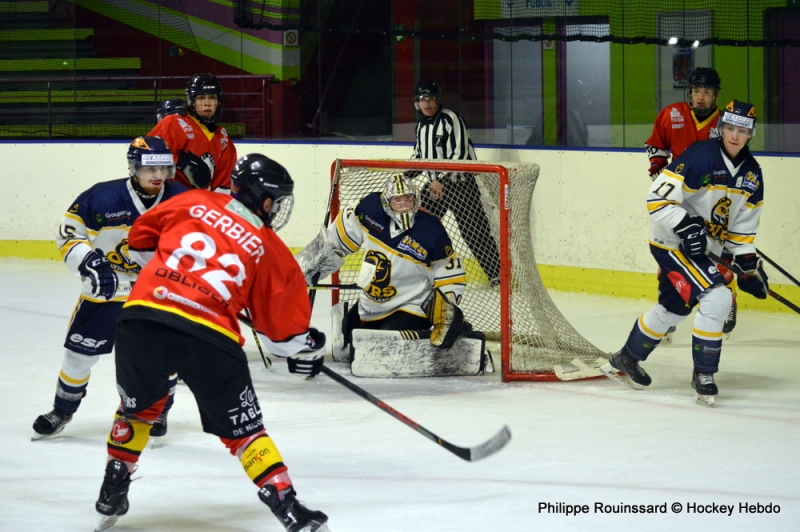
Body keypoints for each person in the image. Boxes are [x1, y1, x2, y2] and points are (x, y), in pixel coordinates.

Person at [92, 154, 329, 532]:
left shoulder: (193, 200)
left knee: (138, 411)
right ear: (267, 201)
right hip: (208, 336)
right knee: (246, 431)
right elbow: (281, 339)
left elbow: (138, 243)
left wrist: (180, 278)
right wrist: (310, 344)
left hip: (142, 320)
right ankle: (287, 506)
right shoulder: (270, 248)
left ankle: (112, 487)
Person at [601, 100, 767, 406]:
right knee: (717, 297)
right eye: (729, 127)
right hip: (671, 242)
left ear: (750, 134)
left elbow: (742, 230)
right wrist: (687, 226)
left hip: (706, 248)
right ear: (721, 128)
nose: (734, 135)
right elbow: (657, 199)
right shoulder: (700, 157)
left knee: (674, 310)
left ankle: (625, 358)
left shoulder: (752, 175)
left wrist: (747, 266)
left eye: (742, 130)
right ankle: (704, 374)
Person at [32, 137, 189, 440]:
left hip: (158, 294)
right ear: (133, 167)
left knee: (162, 357)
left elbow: (203, 244)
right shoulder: (102, 197)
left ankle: (158, 411)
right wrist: (88, 260)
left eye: (163, 168)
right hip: (107, 291)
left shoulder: (183, 199)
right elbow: (69, 233)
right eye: (149, 168)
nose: (157, 176)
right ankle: (62, 410)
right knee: (78, 355)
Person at [297, 173, 469, 355]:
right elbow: (336, 241)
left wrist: (449, 306)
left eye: (408, 201)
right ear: (387, 203)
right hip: (372, 302)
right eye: (398, 201)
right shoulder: (369, 211)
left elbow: (449, 271)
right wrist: (306, 269)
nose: (403, 208)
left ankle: (457, 329)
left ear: (416, 200)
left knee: (382, 347)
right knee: (349, 346)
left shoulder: (431, 229)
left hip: (411, 303)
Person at [644, 67, 737, 338]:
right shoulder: (671, 114)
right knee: (669, 253)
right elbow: (656, 148)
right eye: (696, 90)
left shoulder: (727, 123)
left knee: (718, 255)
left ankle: (728, 300)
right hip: (677, 198)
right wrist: (658, 173)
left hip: (712, 200)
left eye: (707, 92)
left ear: (716, 94)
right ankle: (668, 306)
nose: (701, 97)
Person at [411, 79, 500, 286]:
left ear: (438, 100)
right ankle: (417, 272)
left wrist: (439, 180)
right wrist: (400, 174)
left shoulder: (451, 119)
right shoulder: (421, 126)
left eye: (431, 98)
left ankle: (497, 277)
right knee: (418, 224)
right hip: (435, 187)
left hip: (460, 184)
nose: (427, 104)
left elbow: (458, 154)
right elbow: (418, 158)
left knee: (473, 230)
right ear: (417, 103)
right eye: (423, 99)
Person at [148, 73, 237, 194]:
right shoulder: (173, 123)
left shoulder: (222, 137)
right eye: (201, 98)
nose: (207, 103)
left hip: (199, 206)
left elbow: (223, 186)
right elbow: (146, 157)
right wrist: (180, 162)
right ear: (191, 101)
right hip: (169, 200)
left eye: (212, 97)